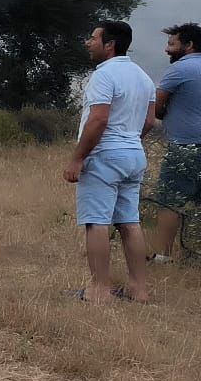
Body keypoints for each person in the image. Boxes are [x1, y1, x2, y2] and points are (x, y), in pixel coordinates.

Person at [63, 19, 157, 303]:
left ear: (109, 44)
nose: (88, 43)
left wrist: (78, 158)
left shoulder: (104, 75)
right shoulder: (144, 77)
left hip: (105, 154)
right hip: (133, 153)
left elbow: (99, 119)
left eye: (93, 38)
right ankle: (138, 289)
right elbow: (150, 120)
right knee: (129, 221)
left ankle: (99, 290)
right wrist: (129, 141)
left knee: (97, 222)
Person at [146, 21, 201, 263]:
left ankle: (164, 256)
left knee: (169, 200)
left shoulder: (180, 69)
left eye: (171, 44)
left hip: (185, 145)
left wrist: (162, 114)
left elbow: (157, 103)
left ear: (188, 45)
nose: (167, 50)